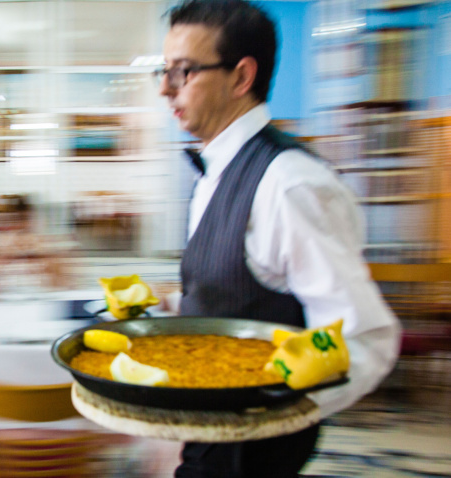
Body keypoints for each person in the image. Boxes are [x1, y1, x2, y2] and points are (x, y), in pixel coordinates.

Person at [157, 0, 401, 476]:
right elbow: (247, 293)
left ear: (241, 77)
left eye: (183, 71)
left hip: (250, 450)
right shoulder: (216, 170)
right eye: (164, 72)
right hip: (207, 431)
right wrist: (174, 305)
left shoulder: (289, 183)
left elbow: (364, 337)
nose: (165, 88)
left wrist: (273, 410)